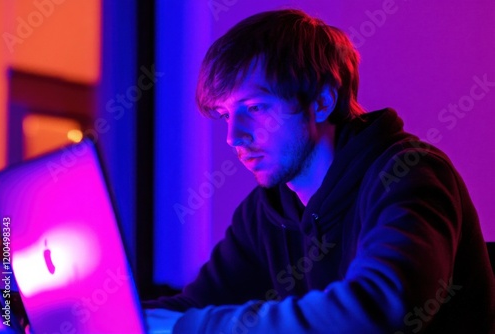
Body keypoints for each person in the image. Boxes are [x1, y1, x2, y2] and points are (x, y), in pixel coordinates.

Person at [144, 9, 495, 333]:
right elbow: (191, 306)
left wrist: (197, 327)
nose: (234, 136)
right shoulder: (268, 210)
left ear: (322, 102)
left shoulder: (408, 173)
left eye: (255, 107)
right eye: (225, 114)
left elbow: (379, 306)